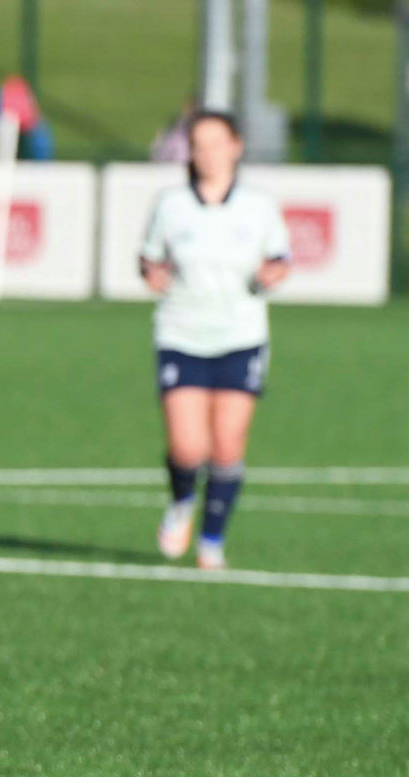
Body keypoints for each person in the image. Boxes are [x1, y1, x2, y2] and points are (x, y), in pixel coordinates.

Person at [138, 109, 290, 570]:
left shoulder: (259, 206)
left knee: (226, 444)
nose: (206, 153)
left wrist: (271, 274)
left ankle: (211, 541)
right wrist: (153, 274)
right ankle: (182, 500)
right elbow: (148, 259)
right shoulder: (170, 205)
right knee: (187, 447)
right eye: (197, 144)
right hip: (181, 333)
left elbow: (280, 259)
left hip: (240, 335)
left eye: (215, 142)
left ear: (236, 147)